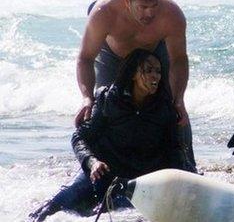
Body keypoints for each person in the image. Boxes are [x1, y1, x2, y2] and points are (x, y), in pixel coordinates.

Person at [30, 49, 187, 221]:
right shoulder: (109, 99)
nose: (155, 76)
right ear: (133, 74)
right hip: (101, 173)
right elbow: (79, 137)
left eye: (158, 71)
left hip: (137, 181)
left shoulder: (164, 109)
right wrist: (92, 162)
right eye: (148, 70)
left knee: (114, 211)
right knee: (52, 207)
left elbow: (174, 150)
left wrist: (183, 184)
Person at [75, 0, 196, 172]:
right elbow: (85, 58)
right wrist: (86, 97)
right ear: (127, 1)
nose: (149, 14)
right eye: (142, 7)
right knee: (101, 109)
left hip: (153, 53)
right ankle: (94, 169)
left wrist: (179, 98)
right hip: (113, 56)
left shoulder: (172, 15)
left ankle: (187, 168)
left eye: (154, 6)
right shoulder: (104, 12)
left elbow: (179, 59)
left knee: (173, 111)